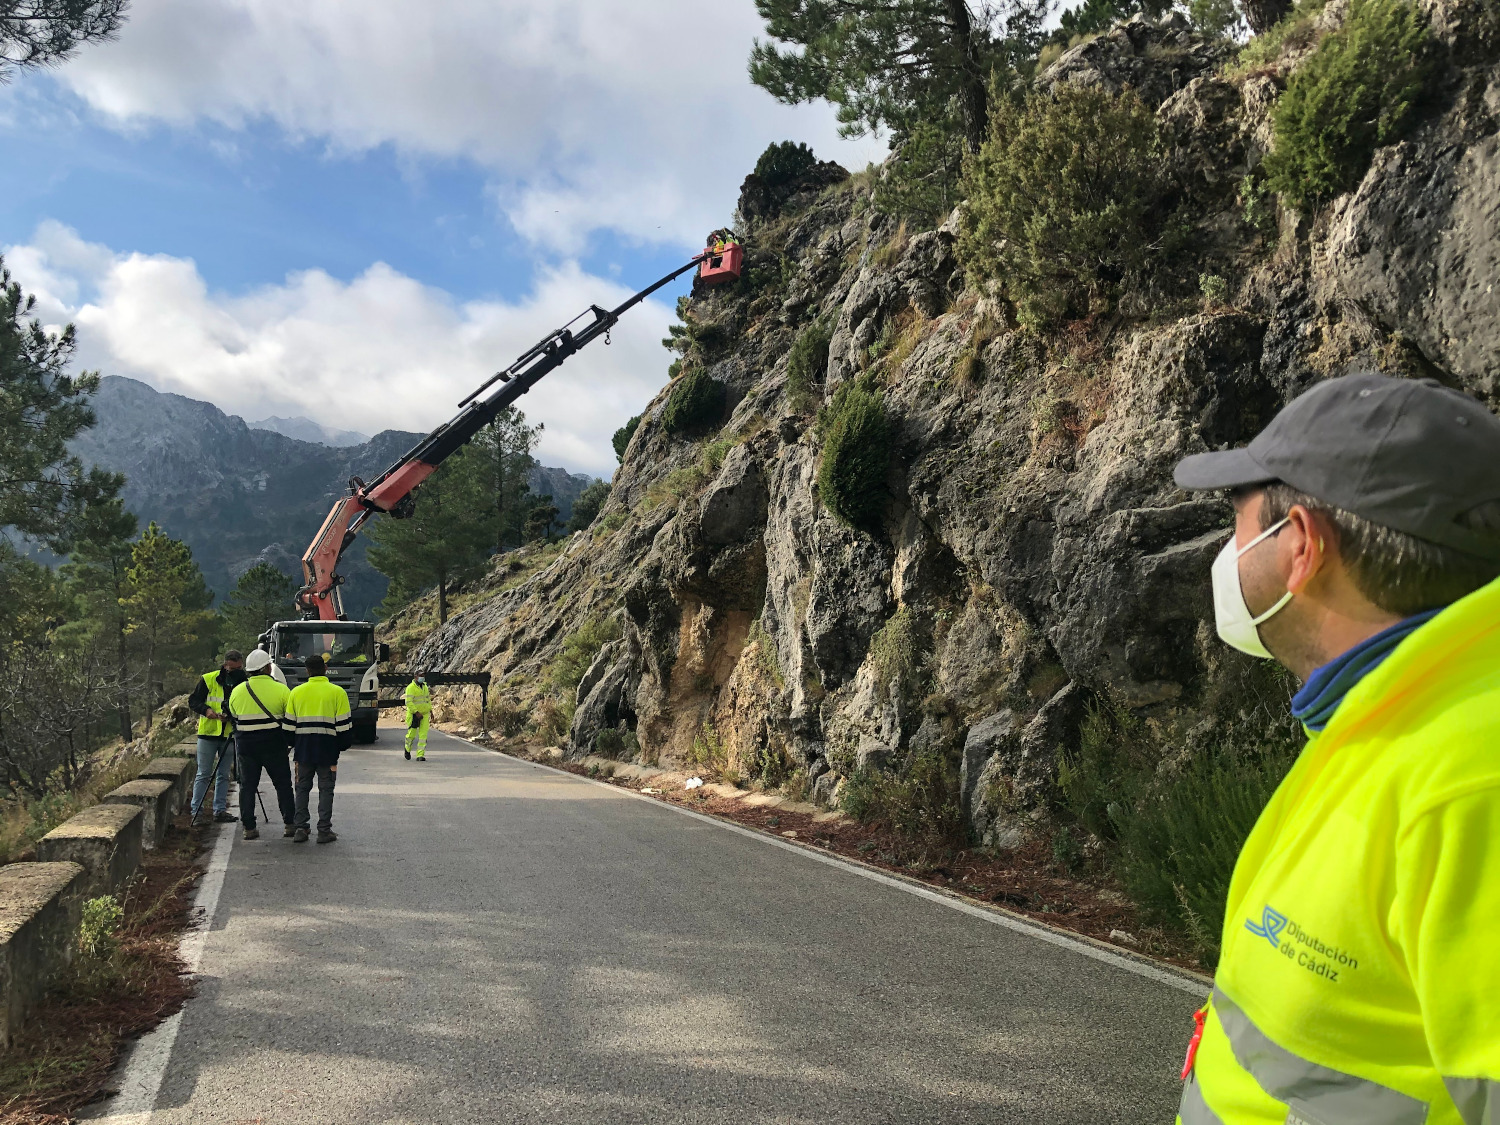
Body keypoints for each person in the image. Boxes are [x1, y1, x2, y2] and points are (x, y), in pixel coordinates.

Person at [1170, 373, 1500, 1125]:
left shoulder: (1473, 783)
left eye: (1238, 520)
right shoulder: (1384, 721)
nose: (1226, 551)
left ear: (1303, 544)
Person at [228, 649, 296, 841]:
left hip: (247, 747)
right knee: (283, 785)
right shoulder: (282, 690)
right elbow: (291, 719)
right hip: (274, 745)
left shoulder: (238, 691)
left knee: (247, 787)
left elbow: (234, 716)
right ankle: (289, 824)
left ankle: (249, 828)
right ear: (267, 667)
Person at [284, 653, 352, 844]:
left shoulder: (296, 693)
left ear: (307, 671)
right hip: (328, 751)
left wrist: (294, 744)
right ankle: (324, 830)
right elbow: (344, 728)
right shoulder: (338, 692)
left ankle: (301, 828)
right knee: (326, 789)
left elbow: (288, 728)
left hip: (303, 751)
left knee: (302, 788)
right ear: (325, 669)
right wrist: (341, 746)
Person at [187, 650, 247, 826]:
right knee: (204, 774)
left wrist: (233, 716)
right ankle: (196, 812)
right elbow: (193, 701)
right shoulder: (208, 679)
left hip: (229, 732)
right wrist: (207, 711)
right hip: (208, 733)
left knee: (223, 774)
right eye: (233, 667)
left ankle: (219, 810)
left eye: (239, 667)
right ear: (225, 665)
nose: (236, 670)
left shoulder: (243, 681)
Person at [403, 670, 431, 762]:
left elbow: (427, 700)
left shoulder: (425, 687)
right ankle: (407, 749)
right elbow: (408, 702)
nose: (422, 677)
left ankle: (420, 755)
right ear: (415, 677)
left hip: (425, 713)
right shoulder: (410, 688)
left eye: (423, 676)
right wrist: (416, 712)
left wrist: (431, 710)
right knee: (411, 734)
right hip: (414, 715)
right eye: (420, 676)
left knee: (423, 735)